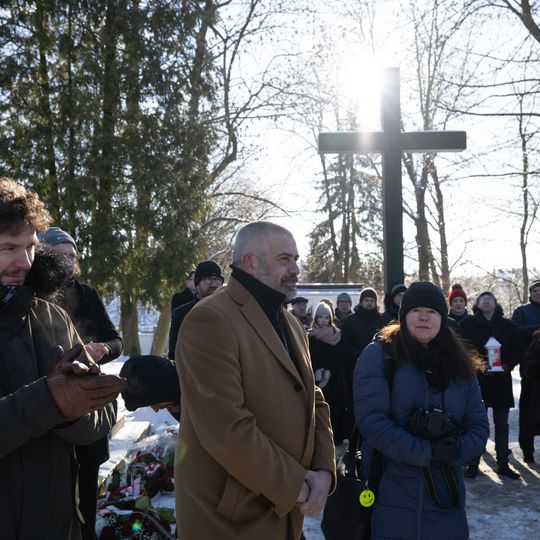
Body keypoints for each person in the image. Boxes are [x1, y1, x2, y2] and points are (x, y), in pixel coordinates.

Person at [175, 221, 335, 540]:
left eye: (296, 259)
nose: (296, 269)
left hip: (285, 510)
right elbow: (226, 428)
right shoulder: (210, 318)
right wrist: (296, 485)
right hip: (233, 519)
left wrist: (323, 470)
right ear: (250, 262)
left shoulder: (290, 322)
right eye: (285, 259)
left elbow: (312, 397)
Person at [0, 178, 126, 539]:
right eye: (9, 247)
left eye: (30, 246)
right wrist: (49, 401)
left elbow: (103, 416)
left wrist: (77, 408)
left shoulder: (51, 315)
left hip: (59, 525)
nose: (24, 262)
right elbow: (48, 402)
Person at [354, 281, 488, 540]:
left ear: (442, 318)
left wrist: (456, 449)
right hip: (391, 492)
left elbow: (479, 426)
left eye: (432, 311)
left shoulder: (460, 363)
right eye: (416, 310)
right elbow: (372, 421)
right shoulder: (379, 356)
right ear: (404, 316)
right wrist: (427, 451)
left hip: (447, 499)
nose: (424, 317)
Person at [39, 226, 124, 539]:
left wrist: (103, 349)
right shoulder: (32, 296)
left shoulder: (87, 294)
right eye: (59, 256)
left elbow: (116, 340)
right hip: (48, 415)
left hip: (87, 411)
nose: (67, 262)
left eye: (72, 256)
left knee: (86, 501)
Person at [459, 291, 520, 479]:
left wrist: (507, 365)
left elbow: (517, 349)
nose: (486, 300)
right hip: (478, 380)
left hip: (502, 380)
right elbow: (463, 348)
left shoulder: (507, 325)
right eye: (482, 298)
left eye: (490, 298)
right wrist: (477, 366)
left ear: (495, 303)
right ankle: (473, 463)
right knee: (476, 423)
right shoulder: (468, 324)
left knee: (501, 424)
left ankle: (503, 463)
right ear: (477, 304)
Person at [167, 260, 224, 360]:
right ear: (197, 284)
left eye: (218, 280)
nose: (214, 284)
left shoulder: (231, 311)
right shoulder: (181, 314)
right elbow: (174, 353)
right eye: (208, 279)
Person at [308, 302, 348, 443]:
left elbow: (342, 357)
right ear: (316, 318)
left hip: (335, 378)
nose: (323, 320)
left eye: (326, 317)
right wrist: (317, 369)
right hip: (317, 379)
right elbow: (308, 356)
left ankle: (336, 436)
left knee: (335, 407)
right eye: (320, 317)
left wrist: (330, 370)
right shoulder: (310, 336)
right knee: (319, 407)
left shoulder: (337, 335)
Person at [512, 280, 540, 463]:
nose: (539, 293)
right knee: (528, 410)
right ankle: (527, 450)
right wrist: (537, 329)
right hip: (531, 369)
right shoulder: (522, 311)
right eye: (536, 290)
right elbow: (515, 331)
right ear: (530, 294)